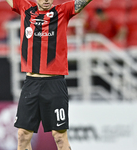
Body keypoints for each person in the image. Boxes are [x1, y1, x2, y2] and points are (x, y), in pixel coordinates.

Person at [5, 0, 92, 150]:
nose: (46, 0)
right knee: (22, 135)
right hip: (31, 83)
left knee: (59, 136)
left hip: (54, 84)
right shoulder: (25, 7)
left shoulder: (63, 11)